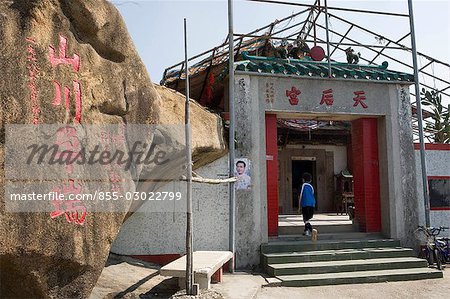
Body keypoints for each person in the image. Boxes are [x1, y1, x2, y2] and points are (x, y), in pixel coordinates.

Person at [298, 172, 317, 238]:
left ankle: (311, 230)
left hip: (305, 204)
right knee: (307, 219)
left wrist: (299, 206)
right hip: (312, 204)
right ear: (310, 180)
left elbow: (300, 196)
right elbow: (312, 194)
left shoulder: (302, 186)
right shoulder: (311, 186)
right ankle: (306, 230)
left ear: (303, 179)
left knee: (305, 219)